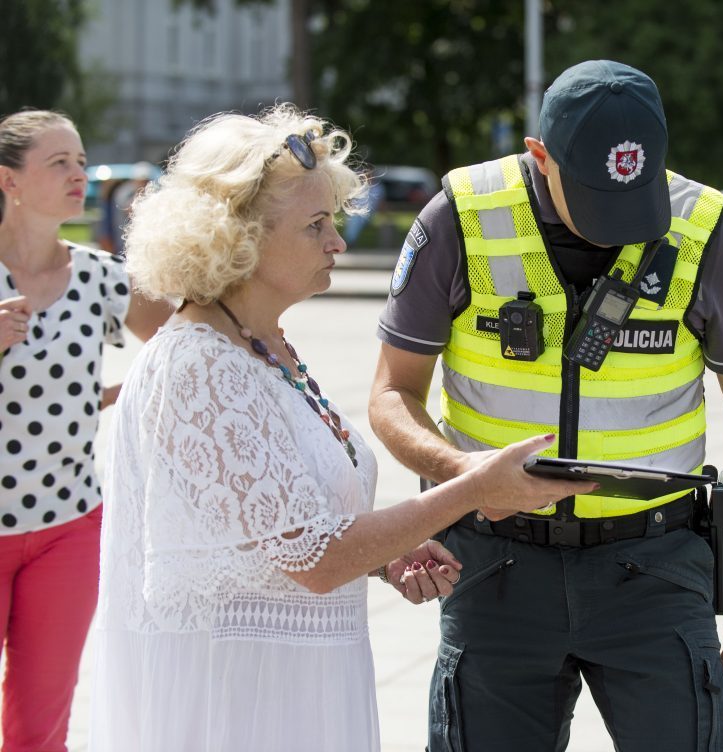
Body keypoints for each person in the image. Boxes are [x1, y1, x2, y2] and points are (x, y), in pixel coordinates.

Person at [86, 104, 593, 752]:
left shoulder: (259, 346)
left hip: (288, 684)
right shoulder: (200, 364)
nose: (338, 242)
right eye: (317, 225)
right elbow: (317, 560)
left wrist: (385, 556)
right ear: (237, 237)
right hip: (237, 701)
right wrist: (473, 486)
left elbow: (279, 531)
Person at [369, 60, 723, 751]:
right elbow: (392, 394)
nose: (617, 227)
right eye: (597, 199)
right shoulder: (460, 218)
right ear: (541, 157)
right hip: (496, 570)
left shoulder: (707, 229)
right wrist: (464, 475)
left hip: (655, 571)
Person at [0, 109, 171, 751]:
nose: (79, 175)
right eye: (58, 163)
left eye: (79, 160)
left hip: (67, 526)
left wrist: (124, 394)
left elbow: (188, 338)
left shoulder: (100, 276)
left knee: (41, 728)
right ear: (8, 181)